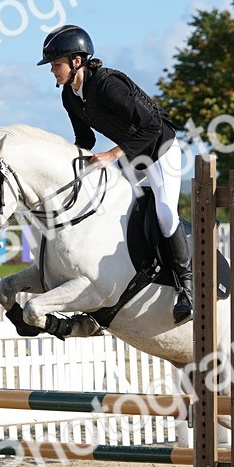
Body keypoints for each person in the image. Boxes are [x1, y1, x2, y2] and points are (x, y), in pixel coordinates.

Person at [38, 24, 193, 324]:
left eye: (56, 65)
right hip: (132, 154)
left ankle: (184, 289)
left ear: (76, 61)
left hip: (161, 148)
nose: (52, 71)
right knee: (104, 205)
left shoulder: (108, 84)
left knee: (164, 213)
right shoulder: (70, 96)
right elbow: (86, 141)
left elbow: (151, 126)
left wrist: (113, 154)